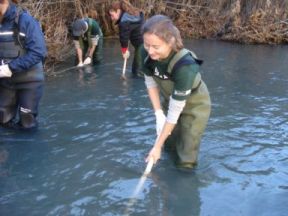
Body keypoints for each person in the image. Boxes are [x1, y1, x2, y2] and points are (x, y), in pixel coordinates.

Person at [141, 15, 211, 169]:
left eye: (156, 47)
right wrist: (158, 113)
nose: (150, 51)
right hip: (170, 99)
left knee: (186, 156)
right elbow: (150, 81)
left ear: (170, 42)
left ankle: (184, 182)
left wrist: (156, 146)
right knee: (169, 145)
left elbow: (175, 110)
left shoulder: (185, 65)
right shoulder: (145, 51)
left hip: (195, 104)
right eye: (147, 45)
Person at [0, 0, 47, 130]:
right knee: (3, 120)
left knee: (27, 123)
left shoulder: (25, 20)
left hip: (30, 82)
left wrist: (10, 67)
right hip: (5, 82)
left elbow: (39, 52)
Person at [108, 0, 144, 77]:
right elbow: (129, 32)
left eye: (112, 15)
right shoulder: (133, 14)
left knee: (138, 72)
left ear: (118, 11)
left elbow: (123, 38)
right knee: (136, 70)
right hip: (144, 43)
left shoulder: (124, 22)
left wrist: (124, 51)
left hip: (142, 45)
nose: (111, 18)